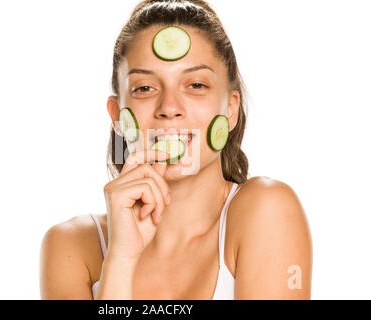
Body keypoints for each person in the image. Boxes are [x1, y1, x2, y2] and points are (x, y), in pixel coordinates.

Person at [40, 0, 312, 300]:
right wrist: (121, 258)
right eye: (145, 88)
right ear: (117, 115)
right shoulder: (70, 246)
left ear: (231, 109)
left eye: (195, 84)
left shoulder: (268, 210)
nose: (169, 108)